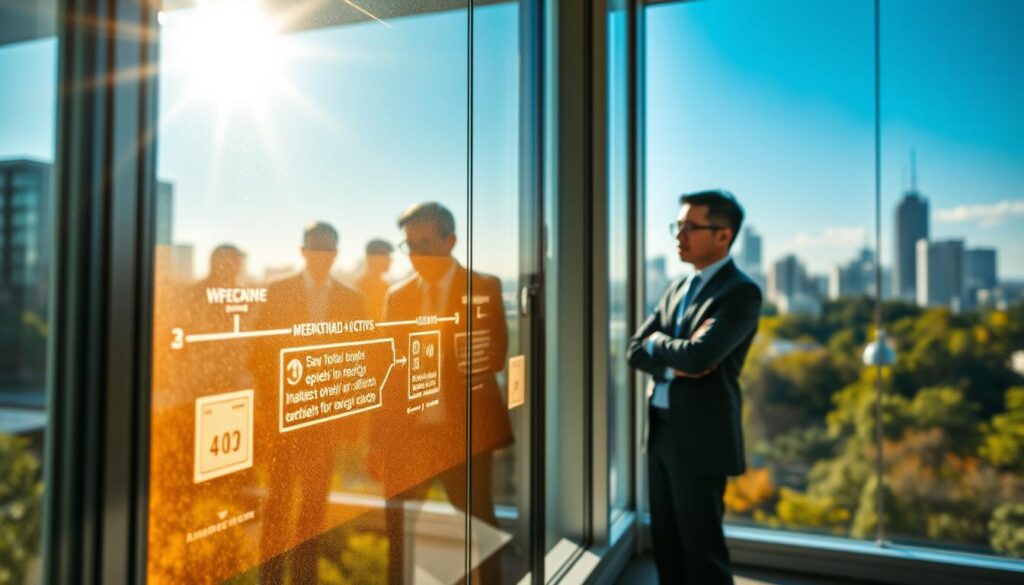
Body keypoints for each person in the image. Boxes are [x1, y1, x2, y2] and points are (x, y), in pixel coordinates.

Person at [627, 190, 762, 584]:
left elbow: (700, 358)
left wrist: (662, 346)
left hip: (701, 437)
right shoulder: (677, 289)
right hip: (661, 429)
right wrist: (669, 355)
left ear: (723, 235)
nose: (678, 235)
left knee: (702, 551)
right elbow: (635, 350)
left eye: (690, 226)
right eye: (678, 225)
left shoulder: (740, 292)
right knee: (666, 544)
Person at [373, 202, 512, 583]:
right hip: (408, 439)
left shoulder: (484, 287)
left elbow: (496, 355)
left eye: (424, 244)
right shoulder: (397, 297)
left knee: (480, 530)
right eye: (409, 246)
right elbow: (388, 374)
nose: (415, 255)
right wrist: (378, 442)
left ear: (451, 241)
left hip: (462, 436)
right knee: (400, 538)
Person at [254, 222, 365, 584]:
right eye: (316, 248)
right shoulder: (277, 292)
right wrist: (274, 409)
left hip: (324, 421)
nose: (322, 255)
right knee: (278, 506)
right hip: (285, 420)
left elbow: (357, 359)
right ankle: (269, 580)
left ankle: (305, 580)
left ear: (336, 254)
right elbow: (259, 355)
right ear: (302, 251)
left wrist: (347, 419)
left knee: (313, 510)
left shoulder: (352, 300)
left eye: (328, 249)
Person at [354, 238, 394, 320]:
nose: (390, 260)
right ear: (371, 258)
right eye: (386, 256)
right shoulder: (358, 287)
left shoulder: (387, 287)